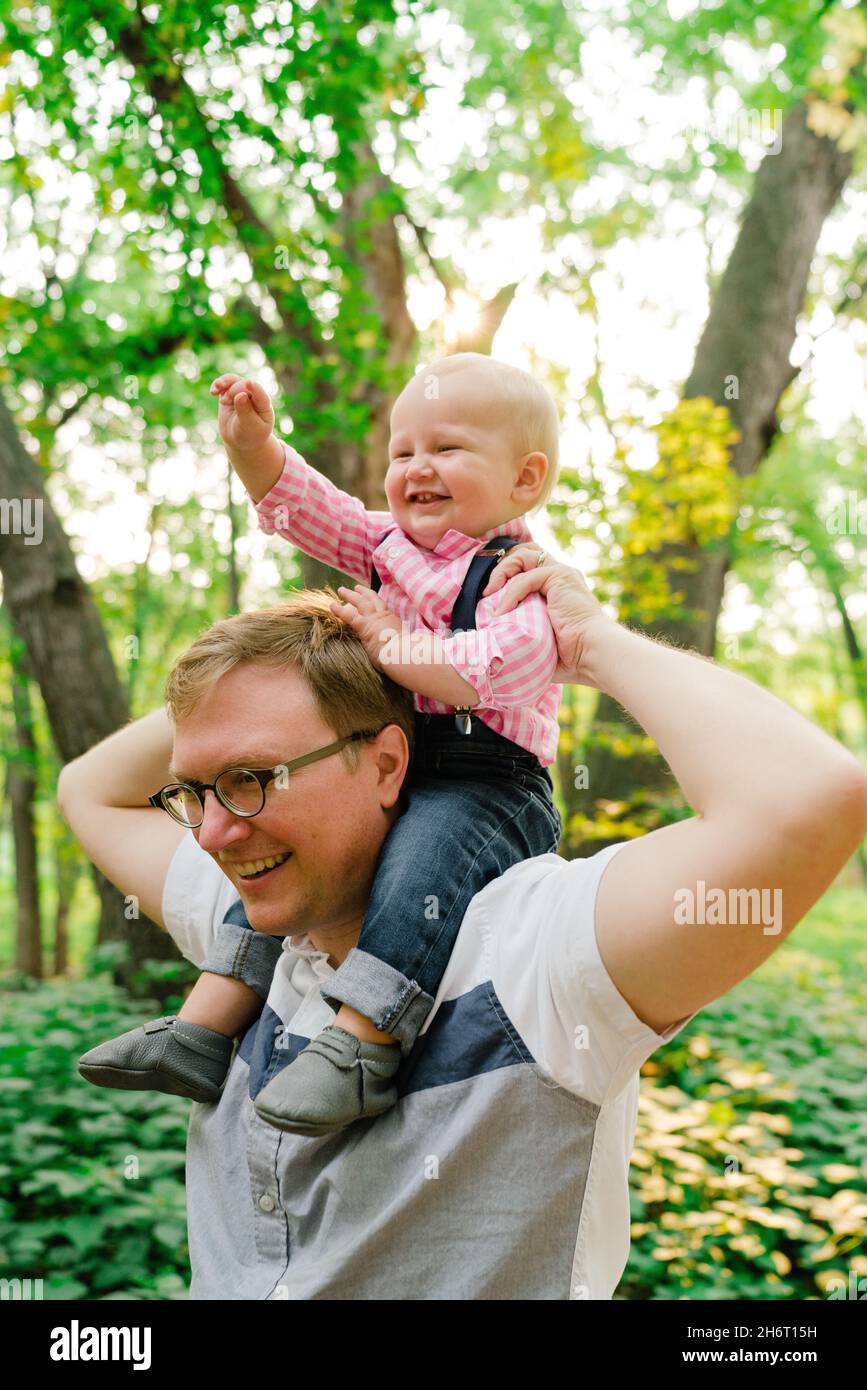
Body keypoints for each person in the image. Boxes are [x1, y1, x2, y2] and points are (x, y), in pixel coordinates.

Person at [57, 552, 867, 1300]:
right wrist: (299, 643)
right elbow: (86, 789)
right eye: (195, 791)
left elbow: (808, 800)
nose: (211, 833)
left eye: (252, 778)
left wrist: (586, 646)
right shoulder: (256, 915)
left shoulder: (533, 952)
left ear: (384, 764)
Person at [79, 353, 567, 1136]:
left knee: (417, 869)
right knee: (284, 864)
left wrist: (389, 643)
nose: (416, 468)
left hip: (487, 785)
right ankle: (203, 1027)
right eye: (402, 452)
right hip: (404, 764)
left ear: (524, 479)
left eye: (446, 449)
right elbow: (314, 509)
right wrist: (251, 447)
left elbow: (492, 673)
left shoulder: (518, 579)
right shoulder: (389, 548)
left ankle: (365, 1043)